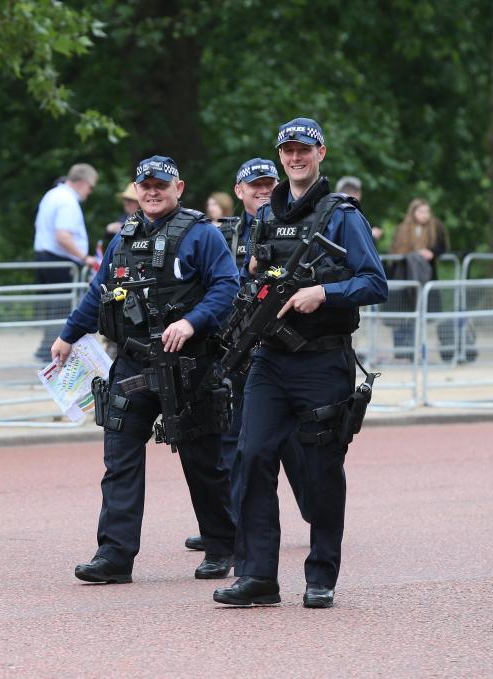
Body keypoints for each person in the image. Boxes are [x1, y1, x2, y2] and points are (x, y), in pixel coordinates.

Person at [213, 118, 387, 609]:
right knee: (251, 457)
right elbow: (255, 275)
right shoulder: (266, 214)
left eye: (303, 150)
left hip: (322, 361)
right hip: (269, 359)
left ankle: (321, 575)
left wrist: (324, 292)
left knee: (320, 469)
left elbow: (376, 282)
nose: (294, 158)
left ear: (320, 153)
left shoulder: (342, 215)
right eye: (287, 150)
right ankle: (258, 577)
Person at [52, 155, 239, 584]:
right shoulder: (124, 237)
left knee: (203, 462)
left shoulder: (202, 235)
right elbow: (98, 292)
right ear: (136, 190)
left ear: (179, 188)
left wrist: (191, 321)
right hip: (133, 363)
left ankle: (222, 545)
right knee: (119, 460)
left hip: (189, 366)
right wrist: (67, 336)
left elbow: (227, 287)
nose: (152, 191)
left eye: (161, 184)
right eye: (145, 185)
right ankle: (114, 556)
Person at [184, 157, 314, 552]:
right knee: (232, 437)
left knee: (294, 439)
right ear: (238, 192)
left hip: (284, 348)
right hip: (234, 349)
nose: (261, 190)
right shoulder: (222, 235)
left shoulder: (296, 228)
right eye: (253, 185)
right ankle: (232, 522)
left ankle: (318, 508)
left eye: (267, 183)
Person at [33, 163, 99, 360]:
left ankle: (46, 348)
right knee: (62, 309)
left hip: (44, 258)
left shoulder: (52, 194)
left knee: (52, 307)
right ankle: (52, 354)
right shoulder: (68, 201)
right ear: (83, 182)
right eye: (91, 187)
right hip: (60, 261)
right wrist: (84, 257)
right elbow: (63, 236)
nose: (90, 192)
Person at [387, 198, 449, 355]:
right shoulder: (403, 229)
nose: (425, 215)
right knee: (403, 316)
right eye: (421, 211)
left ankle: (418, 352)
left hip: (426, 277)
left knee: (423, 316)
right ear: (413, 212)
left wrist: (432, 252)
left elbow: (442, 247)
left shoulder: (436, 228)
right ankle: (402, 352)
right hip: (405, 278)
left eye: (427, 211)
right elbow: (395, 251)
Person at [336, 176, 383, 241]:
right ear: (356, 193)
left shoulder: (333, 210)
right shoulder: (350, 212)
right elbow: (355, 244)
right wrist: (373, 237)